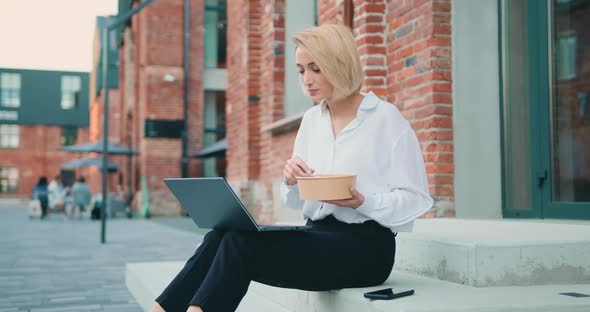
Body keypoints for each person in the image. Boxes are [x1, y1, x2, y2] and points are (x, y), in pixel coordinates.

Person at [151, 24, 433, 312]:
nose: (307, 80)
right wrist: (291, 181)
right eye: (300, 70)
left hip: (366, 249)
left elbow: (416, 199)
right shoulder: (312, 120)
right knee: (220, 236)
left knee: (240, 244)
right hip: (317, 235)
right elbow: (298, 201)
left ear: (339, 64)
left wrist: (363, 201)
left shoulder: (385, 119)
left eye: (316, 68)